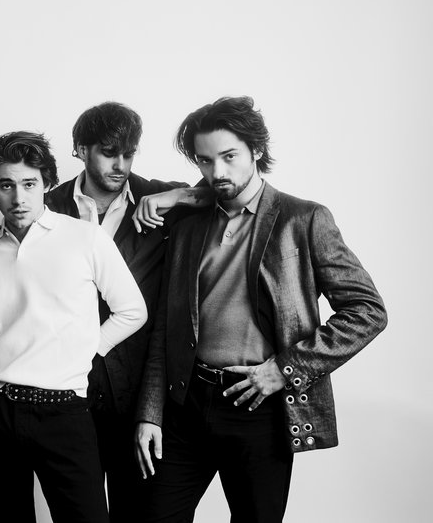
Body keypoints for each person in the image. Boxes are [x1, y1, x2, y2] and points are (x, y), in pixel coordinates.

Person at [134, 96, 388, 522]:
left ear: (256, 149)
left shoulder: (303, 219)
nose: (217, 172)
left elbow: (367, 310)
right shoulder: (188, 225)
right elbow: (166, 326)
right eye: (205, 160)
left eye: (229, 156)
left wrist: (285, 369)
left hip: (259, 407)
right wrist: (150, 412)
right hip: (186, 404)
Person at [0, 131, 147, 523]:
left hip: (64, 410)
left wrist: (88, 349)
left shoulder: (85, 238)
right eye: (6, 185)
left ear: (47, 185)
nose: (18, 198)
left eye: (29, 184)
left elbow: (132, 310)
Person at [45, 101, 211, 522]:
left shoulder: (158, 197)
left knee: (137, 513)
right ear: (81, 149)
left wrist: (176, 195)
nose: (120, 165)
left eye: (129, 154)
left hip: (138, 390)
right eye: (108, 153)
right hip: (68, 386)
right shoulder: (48, 205)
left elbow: (227, 188)